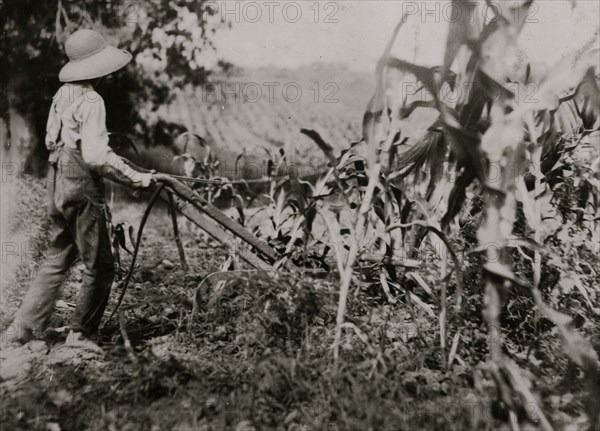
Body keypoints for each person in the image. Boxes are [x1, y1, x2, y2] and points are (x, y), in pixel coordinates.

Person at [4, 29, 155, 347]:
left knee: (58, 256)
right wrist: (138, 179)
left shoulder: (62, 95)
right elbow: (96, 157)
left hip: (56, 182)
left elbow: (51, 141)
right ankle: (81, 335)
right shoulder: (92, 99)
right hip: (80, 187)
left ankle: (23, 328)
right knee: (100, 264)